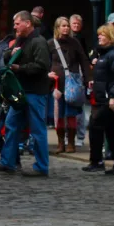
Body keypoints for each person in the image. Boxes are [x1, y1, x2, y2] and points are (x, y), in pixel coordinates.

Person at [0, 11, 51, 176]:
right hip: (20, 91)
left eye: (17, 24)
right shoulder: (20, 40)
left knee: (37, 129)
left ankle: (42, 167)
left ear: (27, 23)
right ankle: (8, 162)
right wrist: (10, 54)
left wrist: (20, 68)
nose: (15, 27)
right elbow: (6, 56)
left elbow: (42, 66)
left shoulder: (39, 42)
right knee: (11, 125)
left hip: (35, 92)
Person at [82, 23, 114, 174]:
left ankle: (97, 161)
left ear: (110, 37)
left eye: (102, 35)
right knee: (111, 131)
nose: (99, 37)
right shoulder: (103, 55)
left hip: (108, 100)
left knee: (97, 127)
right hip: (103, 98)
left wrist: (113, 96)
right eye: (99, 35)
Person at [49, 16, 89, 154]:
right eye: (63, 25)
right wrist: (48, 75)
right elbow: (46, 63)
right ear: (57, 28)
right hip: (56, 85)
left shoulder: (75, 43)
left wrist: (87, 79)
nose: (66, 28)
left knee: (71, 115)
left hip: (72, 84)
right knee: (58, 115)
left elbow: (83, 60)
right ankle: (61, 143)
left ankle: (71, 143)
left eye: (67, 25)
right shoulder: (51, 44)